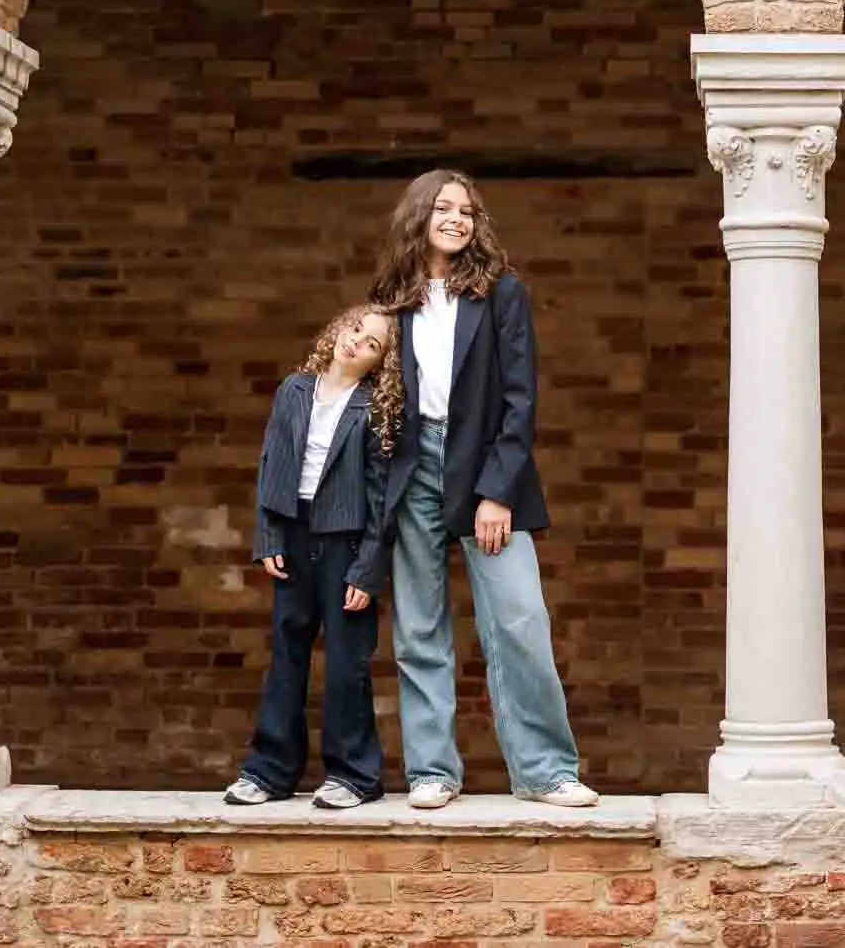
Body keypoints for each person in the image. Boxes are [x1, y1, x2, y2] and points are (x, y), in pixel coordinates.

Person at [369, 169, 597, 809]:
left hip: (485, 468)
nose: (456, 219)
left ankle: (548, 769)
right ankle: (431, 770)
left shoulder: (500, 293)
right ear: (419, 217)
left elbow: (520, 398)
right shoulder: (392, 297)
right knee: (419, 625)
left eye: (466, 211)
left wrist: (497, 491)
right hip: (413, 468)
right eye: (443, 208)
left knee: (520, 619)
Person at [224, 303, 399, 809]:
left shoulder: (373, 410)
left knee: (347, 663)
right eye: (354, 330)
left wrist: (368, 569)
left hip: (345, 545)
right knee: (286, 655)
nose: (357, 343)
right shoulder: (294, 391)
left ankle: (354, 775)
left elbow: (382, 497)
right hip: (294, 537)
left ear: (379, 363)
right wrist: (269, 536)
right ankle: (269, 771)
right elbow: (270, 464)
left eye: (372, 344)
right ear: (337, 329)